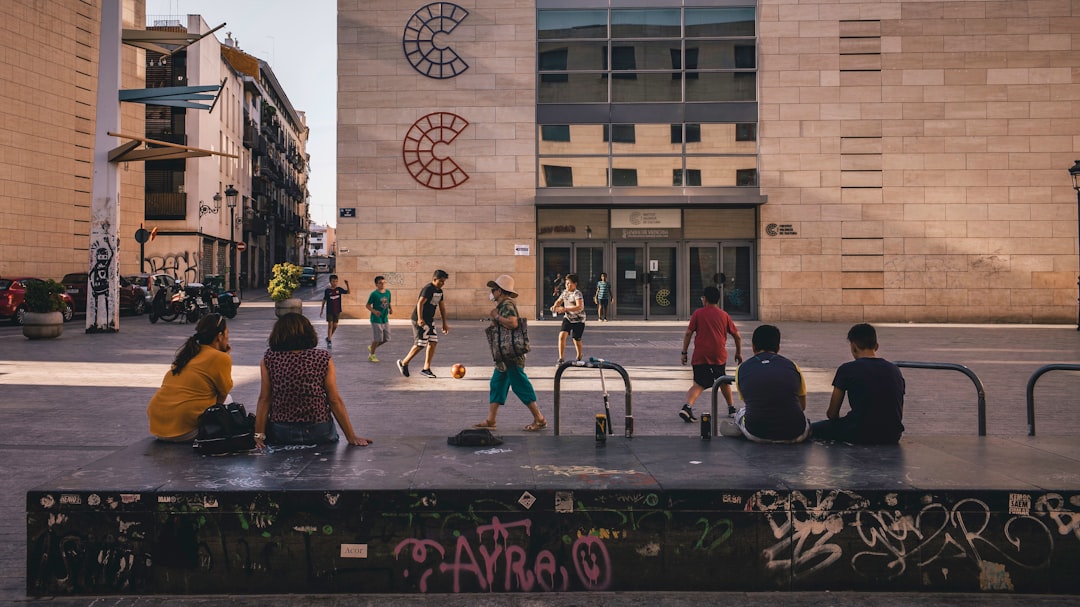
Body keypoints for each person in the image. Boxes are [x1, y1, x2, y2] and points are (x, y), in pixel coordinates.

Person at [253, 313, 371, 447]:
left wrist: (259, 436)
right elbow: (333, 399)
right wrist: (351, 436)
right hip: (319, 429)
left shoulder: (270, 358)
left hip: (283, 431)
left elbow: (265, 398)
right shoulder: (322, 358)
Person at [473, 274, 548, 432]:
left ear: (500, 291)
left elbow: (513, 323)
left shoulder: (507, 304)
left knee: (520, 385)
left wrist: (497, 316)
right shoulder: (502, 305)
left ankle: (539, 419)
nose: (492, 292)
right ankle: (491, 420)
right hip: (504, 356)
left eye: (494, 289)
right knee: (497, 384)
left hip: (511, 355)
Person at [811, 323, 906, 444]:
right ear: (876, 346)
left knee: (813, 428)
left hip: (859, 433)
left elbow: (832, 413)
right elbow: (899, 412)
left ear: (853, 347)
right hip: (892, 434)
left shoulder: (847, 369)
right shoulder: (894, 370)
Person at [147, 314, 233, 442]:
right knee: (229, 401)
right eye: (227, 334)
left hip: (158, 426)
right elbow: (223, 393)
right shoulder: (221, 358)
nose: (228, 338)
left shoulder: (189, 353)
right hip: (183, 430)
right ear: (220, 336)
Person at [720, 324, 810, 443]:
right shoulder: (792, 366)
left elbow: (750, 401)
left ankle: (738, 428)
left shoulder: (742, 369)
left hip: (757, 432)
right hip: (795, 432)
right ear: (778, 347)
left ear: (753, 346)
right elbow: (802, 406)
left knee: (741, 412)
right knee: (802, 418)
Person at [679, 286, 742, 423]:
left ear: (705, 299)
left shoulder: (698, 313)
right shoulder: (724, 315)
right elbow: (737, 336)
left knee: (699, 383)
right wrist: (738, 352)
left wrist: (684, 352)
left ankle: (687, 406)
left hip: (701, 355)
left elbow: (689, 333)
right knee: (723, 380)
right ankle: (731, 408)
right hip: (718, 355)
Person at [397, 269, 450, 378]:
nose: (442, 284)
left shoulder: (440, 291)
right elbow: (420, 303)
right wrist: (420, 319)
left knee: (433, 341)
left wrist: (444, 323)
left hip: (429, 320)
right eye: (440, 281)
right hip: (419, 319)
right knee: (421, 344)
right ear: (434, 279)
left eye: (444, 282)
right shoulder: (428, 289)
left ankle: (426, 368)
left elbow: (442, 307)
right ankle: (403, 363)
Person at [551, 273, 586, 365]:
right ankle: (561, 358)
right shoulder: (565, 292)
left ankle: (579, 355)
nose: (567, 285)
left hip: (578, 320)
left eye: (569, 283)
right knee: (562, 336)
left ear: (575, 284)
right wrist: (554, 306)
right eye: (566, 283)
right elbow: (559, 301)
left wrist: (565, 309)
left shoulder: (577, 293)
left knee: (576, 339)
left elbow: (579, 307)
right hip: (568, 318)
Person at [365, 275, 392, 363]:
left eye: (384, 282)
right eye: (380, 283)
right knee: (377, 338)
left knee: (386, 338)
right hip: (376, 319)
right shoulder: (374, 294)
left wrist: (390, 308)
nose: (383, 284)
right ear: (376, 284)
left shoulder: (388, 292)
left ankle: (372, 347)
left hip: (385, 318)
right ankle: (371, 355)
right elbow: (367, 305)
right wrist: (374, 311)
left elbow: (388, 302)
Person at [319, 274, 350, 348]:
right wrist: (322, 310)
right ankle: (329, 341)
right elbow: (324, 300)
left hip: (337, 310)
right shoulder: (327, 291)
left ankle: (328, 337)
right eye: (333, 281)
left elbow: (348, 292)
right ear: (330, 282)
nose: (335, 283)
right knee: (330, 325)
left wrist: (347, 284)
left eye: (336, 281)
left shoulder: (339, 289)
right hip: (330, 311)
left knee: (335, 326)